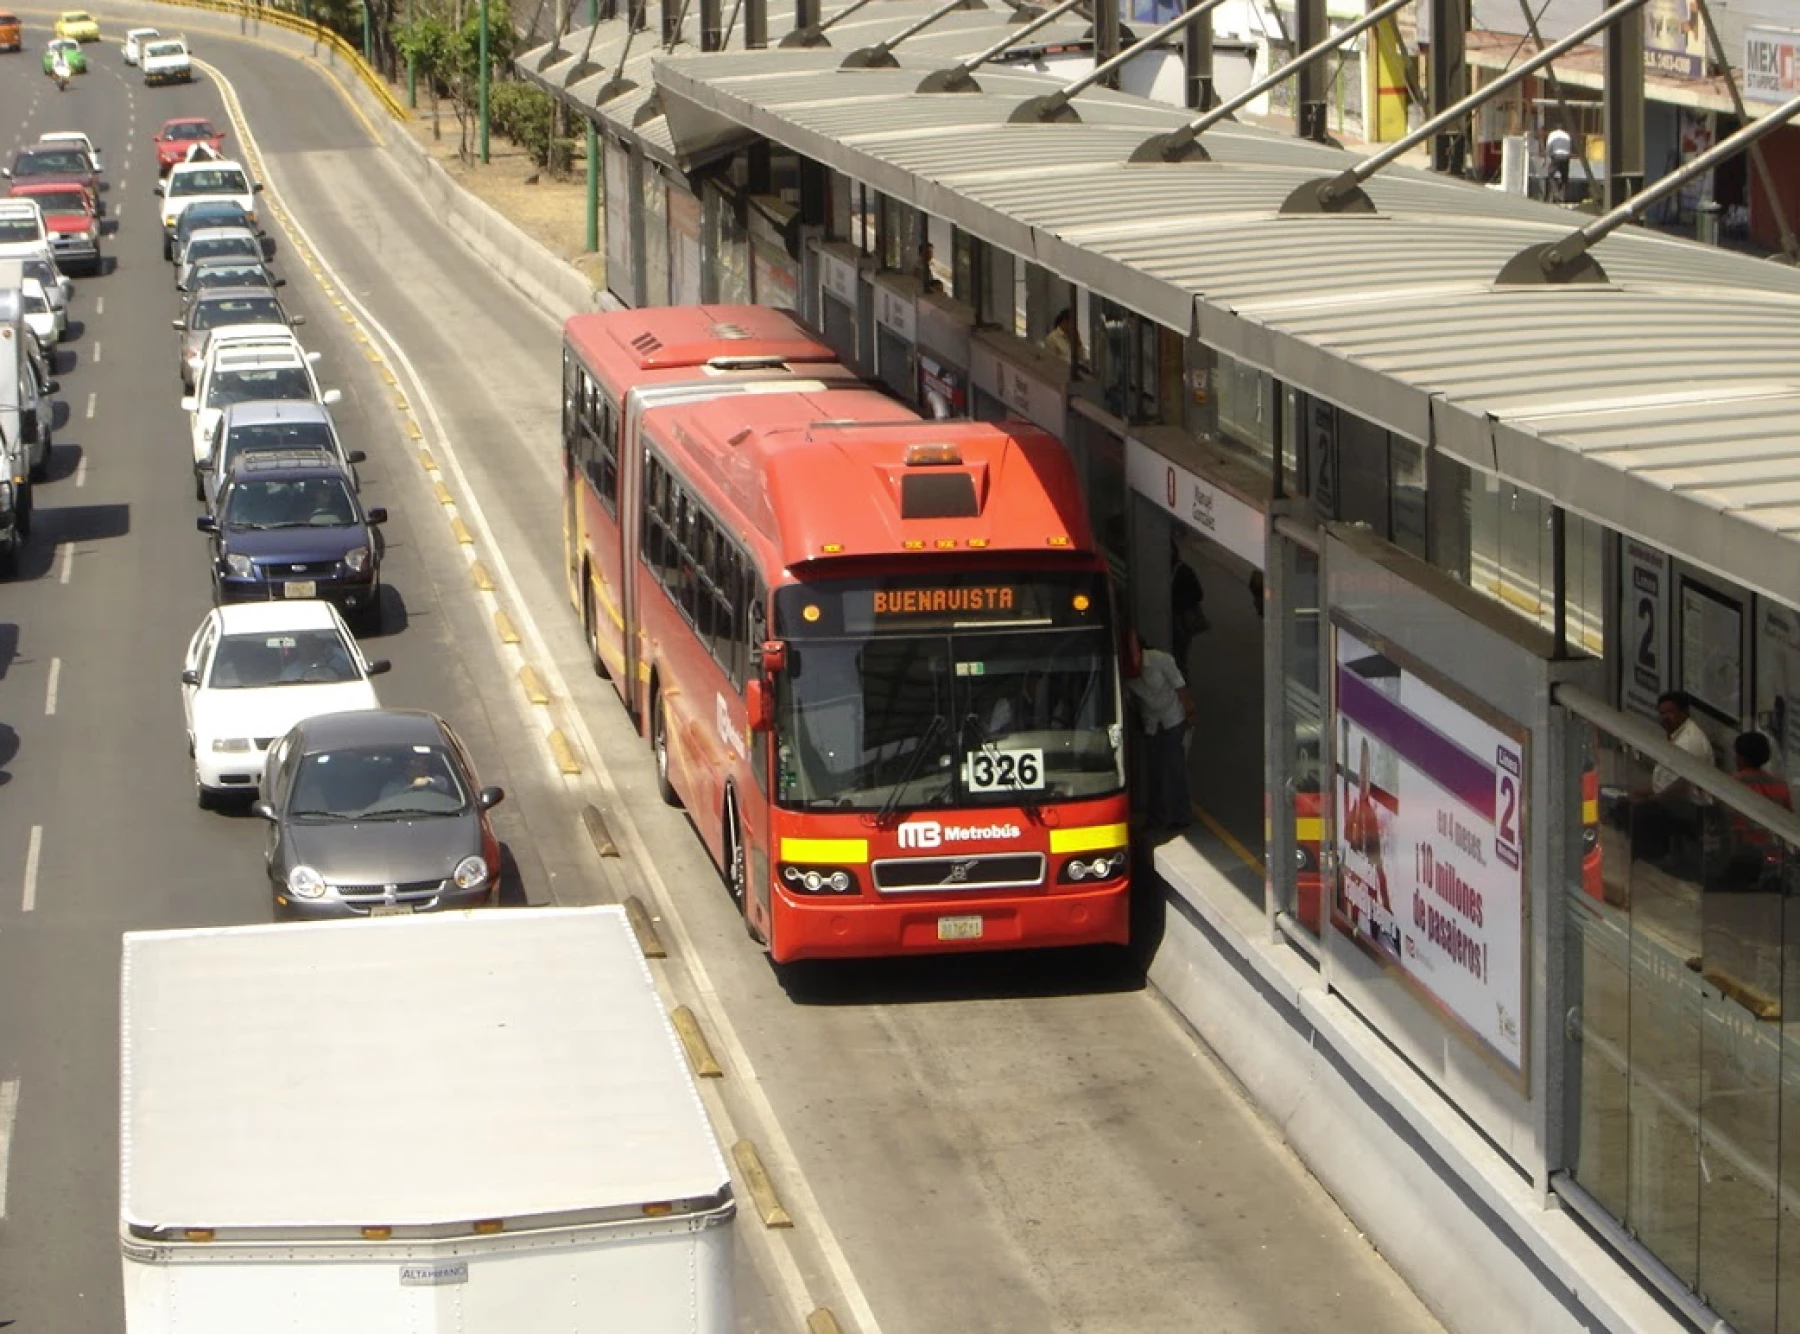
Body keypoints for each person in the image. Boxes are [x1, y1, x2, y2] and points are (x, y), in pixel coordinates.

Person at [1629, 690, 1716, 866]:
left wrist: (1651, 801)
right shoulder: (1676, 736)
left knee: (1641, 813)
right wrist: (1640, 793)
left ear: (1684, 712)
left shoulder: (1690, 742)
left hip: (1691, 806)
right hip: (1671, 799)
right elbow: (1665, 780)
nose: (1664, 718)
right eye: (1661, 713)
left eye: (1670, 712)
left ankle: (1649, 862)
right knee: (1623, 803)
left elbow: (1680, 787)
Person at [1126, 632, 1193, 831]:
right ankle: (1156, 817)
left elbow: (1180, 687)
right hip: (1151, 724)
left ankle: (1181, 815)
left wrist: (1190, 715)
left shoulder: (1161, 660)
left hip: (1173, 719)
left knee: (1175, 770)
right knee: (1154, 773)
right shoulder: (1126, 672)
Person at [1723, 731, 1793, 891]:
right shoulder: (1780, 785)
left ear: (1740, 757)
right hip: (1774, 857)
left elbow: (1730, 822)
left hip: (1744, 856)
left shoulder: (1733, 783)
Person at [1169, 538, 1207, 672]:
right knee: (1178, 652)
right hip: (1176, 619)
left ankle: (1181, 680)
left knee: (1179, 652)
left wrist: (1177, 602)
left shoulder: (1183, 571)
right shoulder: (1173, 570)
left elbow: (1198, 593)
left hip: (1180, 620)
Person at [1545, 124, 1573, 203]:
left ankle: (1556, 193)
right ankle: (1562, 196)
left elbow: (1549, 147)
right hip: (1566, 157)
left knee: (1550, 175)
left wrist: (1548, 157)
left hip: (1556, 156)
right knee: (1564, 177)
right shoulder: (1567, 135)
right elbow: (1569, 147)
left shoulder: (1553, 134)